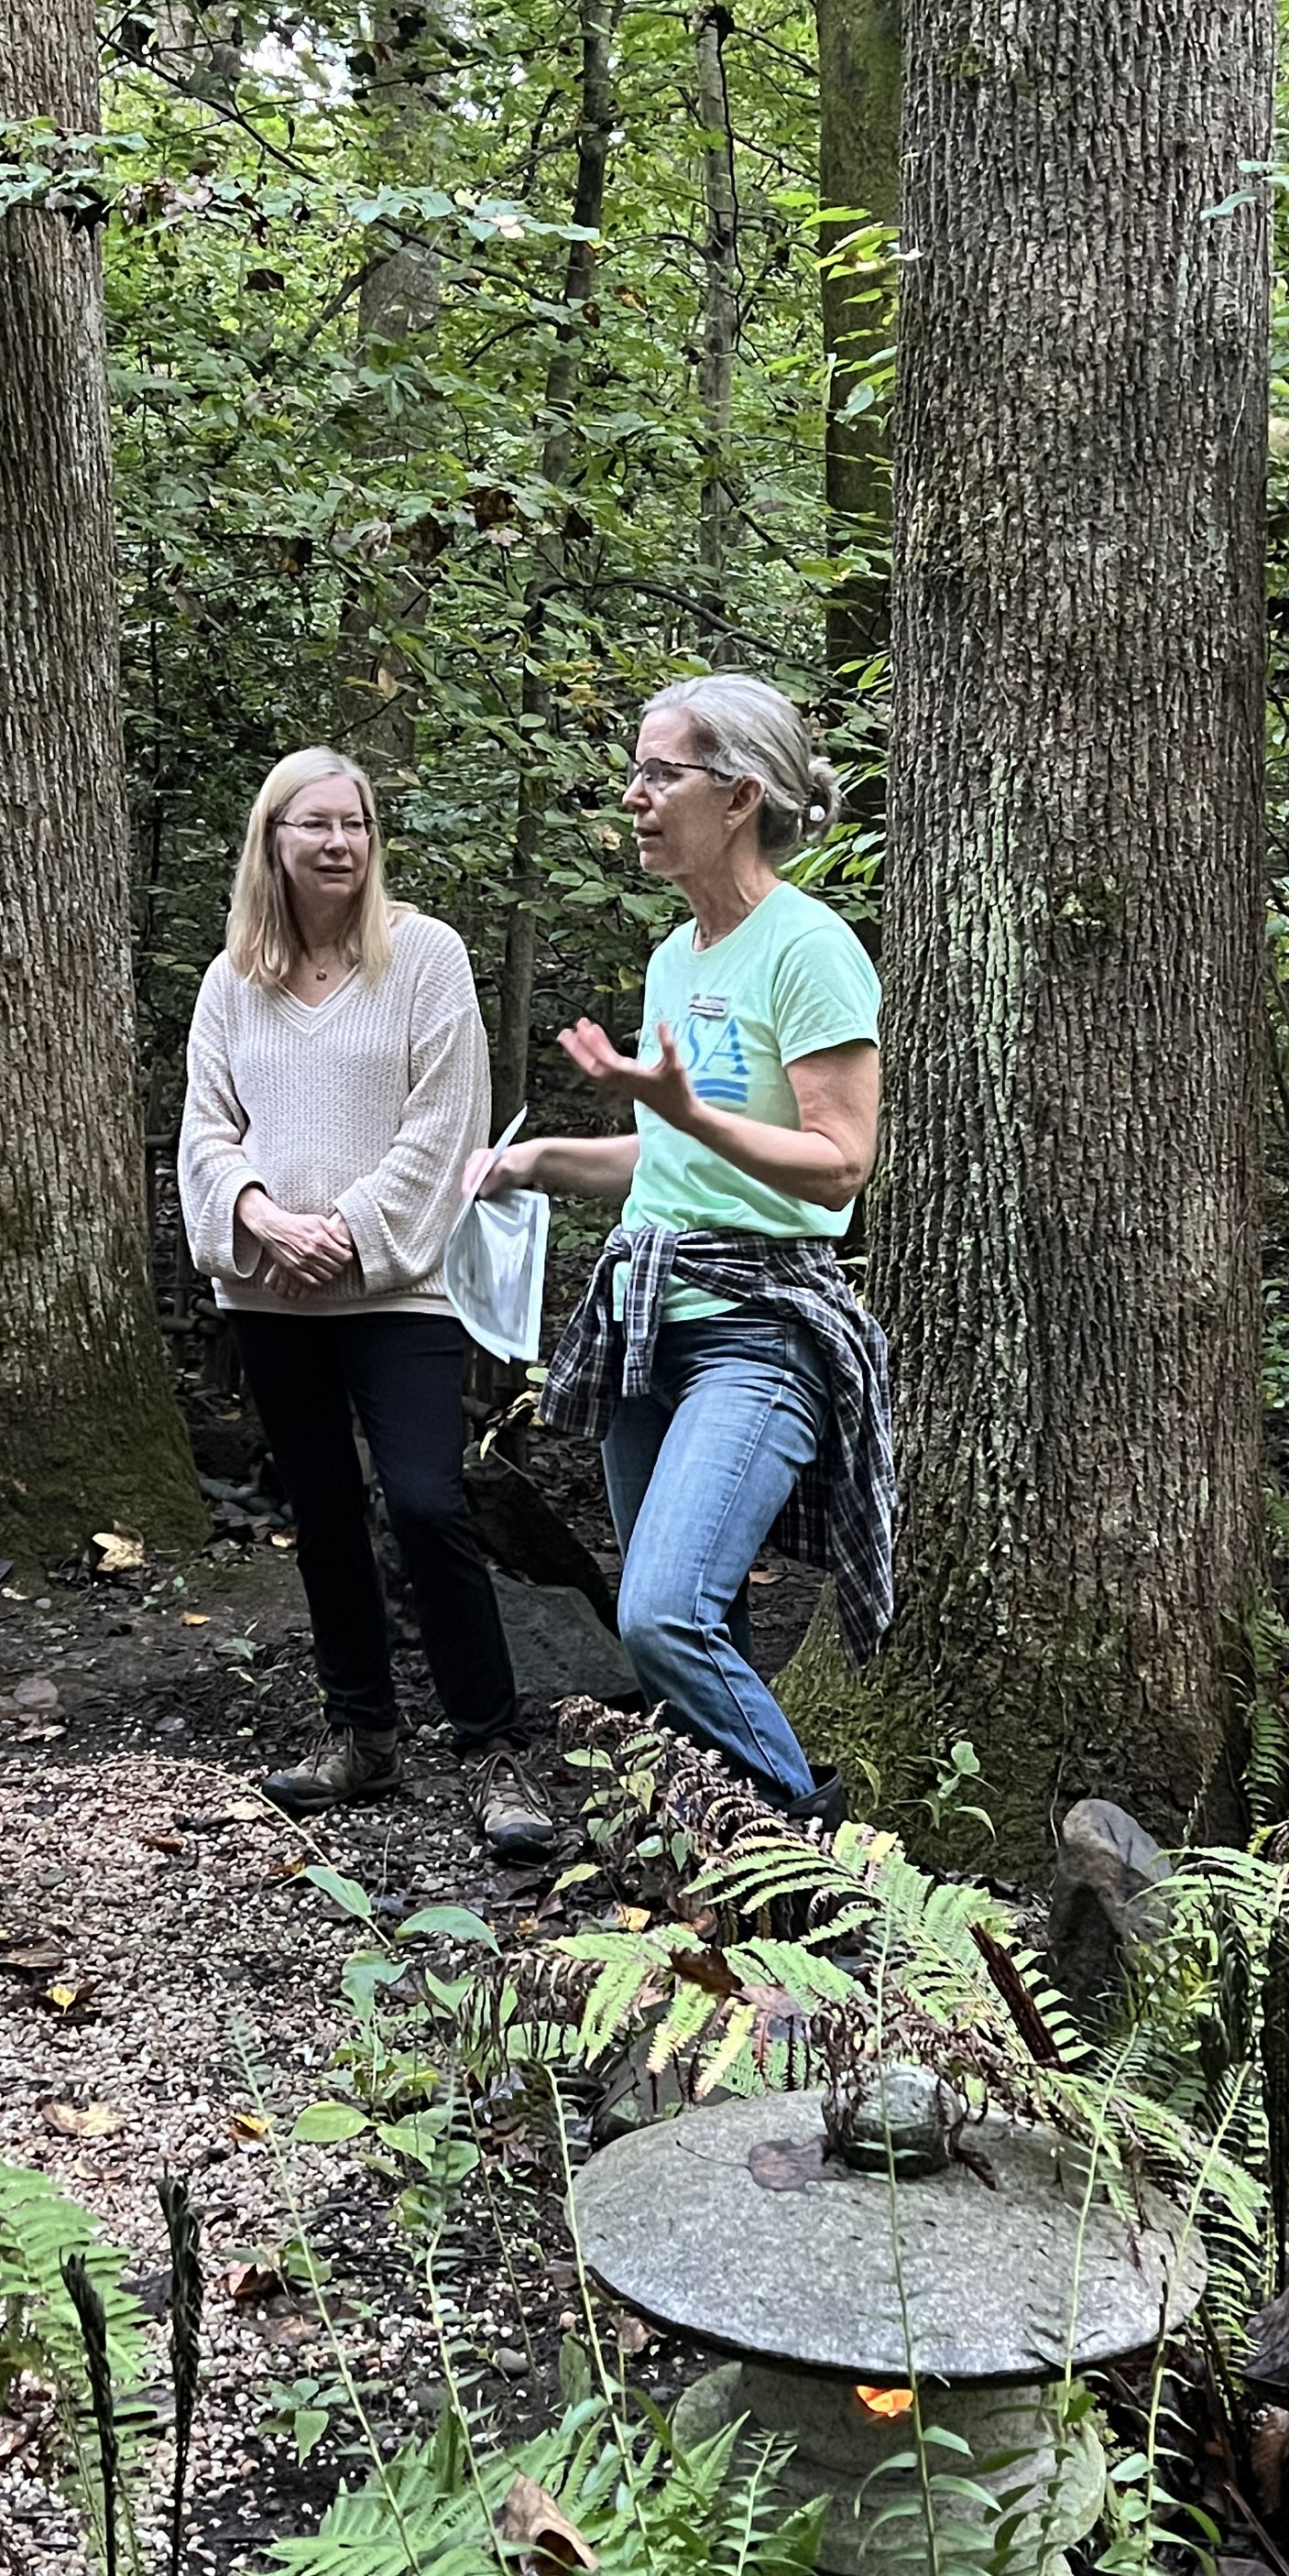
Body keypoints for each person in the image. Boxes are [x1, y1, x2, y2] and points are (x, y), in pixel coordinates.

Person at [467, 674, 893, 1816]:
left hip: (761, 1329)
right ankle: (726, 1865)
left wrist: (690, 1112)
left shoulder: (809, 947)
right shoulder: (674, 957)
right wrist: (535, 1160)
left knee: (660, 1614)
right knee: (705, 1622)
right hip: (648, 1321)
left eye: (660, 773)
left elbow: (839, 1163)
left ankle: (809, 1854)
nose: (634, 796)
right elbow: (668, 1162)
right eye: (635, 771)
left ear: (740, 794)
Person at [179, 748, 552, 1861]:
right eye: (314, 824)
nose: (337, 842)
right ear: (273, 840)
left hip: (400, 1290)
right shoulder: (232, 979)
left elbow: (448, 1124)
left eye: (355, 823)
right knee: (322, 1508)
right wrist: (261, 1219)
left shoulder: (425, 957)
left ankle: (493, 1748)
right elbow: (206, 1129)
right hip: (271, 1294)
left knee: (428, 1503)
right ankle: (361, 1734)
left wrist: (340, 1229)